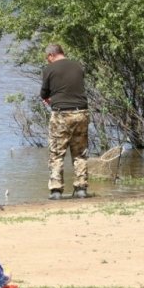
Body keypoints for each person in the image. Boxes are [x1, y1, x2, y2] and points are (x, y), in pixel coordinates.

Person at [40, 43, 90, 200]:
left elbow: (44, 94)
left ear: (51, 55)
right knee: (80, 153)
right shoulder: (78, 66)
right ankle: (81, 188)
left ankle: (56, 190)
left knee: (56, 153)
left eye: (48, 59)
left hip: (62, 115)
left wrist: (50, 101)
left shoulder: (49, 69)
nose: (48, 62)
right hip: (81, 113)